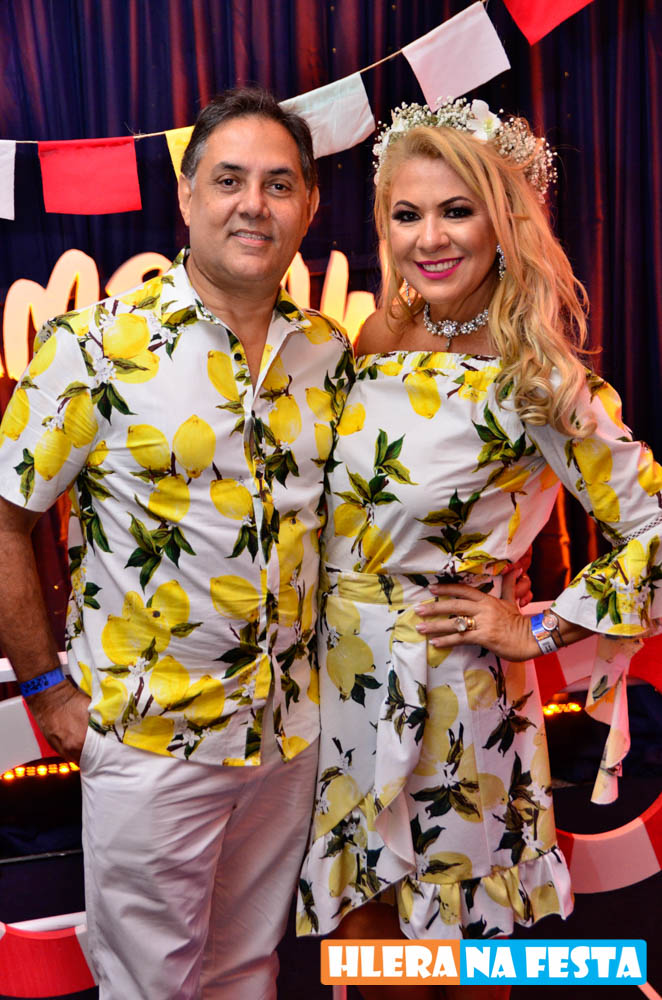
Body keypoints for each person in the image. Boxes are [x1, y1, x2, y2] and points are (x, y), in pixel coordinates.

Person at [296, 98, 662, 1000]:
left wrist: (537, 627)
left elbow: (652, 523)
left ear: (504, 219)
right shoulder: (375, 337)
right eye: (407, 213)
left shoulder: (537, 373)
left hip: (453, 701)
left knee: (451, 963)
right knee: (365, 953)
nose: (429, 238)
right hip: (341, 690)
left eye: (456, 210)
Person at [0, 87, 355, 1000]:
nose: (254, 204)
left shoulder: (328, 353)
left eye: (279, 184)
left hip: (288, 739)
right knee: (150, 986)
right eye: (229, 180)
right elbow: (5, 520)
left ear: (310, 206)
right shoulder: (93, 346)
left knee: (247, 973)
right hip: (149, 740)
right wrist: (45, 690)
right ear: (187, 195)